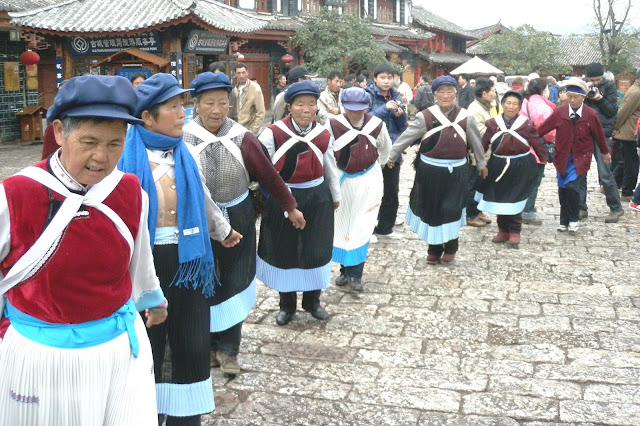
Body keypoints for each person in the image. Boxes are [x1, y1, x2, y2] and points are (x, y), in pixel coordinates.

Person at [0, 75, 167, 424]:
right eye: (89, 142)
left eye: (115, 143)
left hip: (117, 350)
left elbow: (138, 259)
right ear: (60, 132)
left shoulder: (131, 193)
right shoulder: (14, 196)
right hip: (40, 356)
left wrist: (153, 299)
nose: (101, 157)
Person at [118, 73, 242, 425]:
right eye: (172, 107)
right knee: (149, 340)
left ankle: (185, 413)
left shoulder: (183, 154)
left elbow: (202, 197)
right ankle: (146, 410)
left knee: (190, 338)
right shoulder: (126, 157)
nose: (181, 114)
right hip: (145, 263)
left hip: (188, 261)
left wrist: (222, 230)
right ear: (147, 117)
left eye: (181, 106)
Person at [183, 72, 304, 375]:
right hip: (199, 220)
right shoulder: (183, 138)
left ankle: (229, 350)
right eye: (209, 103)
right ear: (196, 104)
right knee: (205, 281)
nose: (216, 110)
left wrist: (290, 207)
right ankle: (208, 346)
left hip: (238, 217)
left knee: (235, 279)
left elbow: (269, 176)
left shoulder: (242, 137)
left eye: (223, 103)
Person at [258, 81, 341, 326]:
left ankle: (312, 302)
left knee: (316, 249)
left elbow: (330, 167)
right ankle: (287, 305)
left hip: (317, 197)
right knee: (285, 249)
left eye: (311, 104)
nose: (306, 109)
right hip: (284, 197)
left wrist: (335, 196)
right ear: (289, 107)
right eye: (300, 104)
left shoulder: (323, 134)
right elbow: (263, 169)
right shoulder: (273, 133)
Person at [387, 75, 487, 264]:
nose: (446, 95)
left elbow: (476, 143)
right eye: (441, 92)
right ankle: (434, 248)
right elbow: (406, 138)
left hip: (457, 172)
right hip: (430, 172)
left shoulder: (466, 117)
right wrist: (392, 156)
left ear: (456, 94)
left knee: (451, 209)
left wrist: (482, 164)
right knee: (432, 209)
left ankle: (451, 246)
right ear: (435, 95)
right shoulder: (425, 117)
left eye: (450, 91)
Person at [329, 87, 391, 292]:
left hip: (367, 179)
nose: (355, 113)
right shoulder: (332, 124)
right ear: (343, 107)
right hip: (342, 179)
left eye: (360, 109)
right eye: (351, 109)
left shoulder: (376, 124)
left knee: (362, 225)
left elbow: (385, 149)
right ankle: (344, 270)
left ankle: (356, 274)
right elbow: (327, 151)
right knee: (342, 225)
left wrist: (375, 167)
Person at [537, 78, 610, 235]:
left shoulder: (590, 114)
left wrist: (605, 152)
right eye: (569, 96)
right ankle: (564, 221)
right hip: (562, 157)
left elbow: (599, 135)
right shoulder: (559, 112)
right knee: (563, 189)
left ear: (583, 97)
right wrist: (528, 138)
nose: (572, 100)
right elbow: (542, 130)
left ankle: (574, 219)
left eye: (576, 97)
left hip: (580, 158)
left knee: (572, 187)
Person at [476, 90, 547, 248]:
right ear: (502, 104)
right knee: (500, 199)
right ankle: (503, 230)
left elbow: (536, 142)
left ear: (519, 107)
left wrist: (543, 158)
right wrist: (480, 163)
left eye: (515, 104)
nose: (511, 106)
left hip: (520, 166)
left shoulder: (526, 124)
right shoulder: (493, 124)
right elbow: (484, 143)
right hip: (498, 165)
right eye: (508, 103)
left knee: (515, 199)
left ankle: (515, 231)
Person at [365, 63, 408, 240]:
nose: (386, 81)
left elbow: (403, 126)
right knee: (371, 192)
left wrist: (399, 115)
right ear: (375, 79)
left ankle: (386, 228)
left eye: (389, 77)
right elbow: (366, 119)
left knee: (391, 191)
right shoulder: (367, 95)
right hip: (371, 149)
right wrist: (385, 108)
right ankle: (367, 230)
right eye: (382, 77)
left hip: (392, 149)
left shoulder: (396, 96)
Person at [581, 62, 624, 222]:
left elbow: (612, 111)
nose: (596, 83)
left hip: (602, 133)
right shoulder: (582, 86)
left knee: (605, 174)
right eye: (592, 80)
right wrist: (583, 94)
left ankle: (616, 208)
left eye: (598, 79)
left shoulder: (610, 86)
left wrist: (600, 99)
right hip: (585, 133)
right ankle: (581, 208)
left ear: (603, 76)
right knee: (580, 172)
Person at [519, 77, 556, 225]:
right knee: (534, 182)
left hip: (522, 147)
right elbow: (550, 132)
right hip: (537, 149)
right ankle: (527, 212)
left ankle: (521, 208)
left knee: (523, 181)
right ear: (542, 90)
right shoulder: (543, 108)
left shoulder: (524, 104)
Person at [466, 77, 497, 228]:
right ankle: (469, 214)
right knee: (472, 185)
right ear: (484, 94)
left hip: (486, 154)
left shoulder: (485, 107)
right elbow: (480, 133)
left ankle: (476, 210)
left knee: (480, 185)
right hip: (477, 155)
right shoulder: (474, 109)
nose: (495, 94)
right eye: (493, 91)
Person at [612, 69, 640, 203]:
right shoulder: (636, 92)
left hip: (631, 132)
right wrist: (615, 127)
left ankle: (611, 185)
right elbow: (623, 112)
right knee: (632, 165)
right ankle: (627, 192)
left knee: (625, 163)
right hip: (631, 133)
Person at [230, 63, 265, 135]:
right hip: (236, 129)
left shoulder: (255, 88)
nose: (241, 75)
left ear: (247, 73)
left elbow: (261, 112)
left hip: (249, 129)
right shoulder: (234, 90)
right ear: (235, 74)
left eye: (243, 72)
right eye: (238, 73)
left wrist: (254, 130)